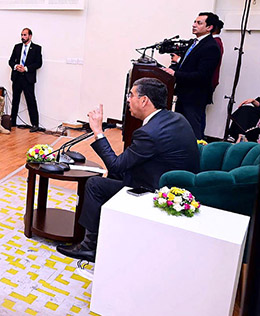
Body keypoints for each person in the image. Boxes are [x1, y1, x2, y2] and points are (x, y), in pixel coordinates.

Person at [56, 78, 200, 262]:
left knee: (94, 184)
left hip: (156, 193)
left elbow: (115, 164)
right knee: (115, 173)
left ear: (144, 100)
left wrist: (97, 131)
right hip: (174, 184)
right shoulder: (175, 118)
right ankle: (105, 232)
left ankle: (89, 247)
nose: (128, 100)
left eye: (131, 95)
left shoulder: (149, 132)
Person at [162, 12, 223, 139]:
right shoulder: (194, 43)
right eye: (195, 22)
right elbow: (186, 65)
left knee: (194, 131)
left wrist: (175, 73)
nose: (194, 25)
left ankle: (198, 156)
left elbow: (202, 75)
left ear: (209, 27)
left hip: (195, 96)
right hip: (183, 93)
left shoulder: (211, 47)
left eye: (199, 23)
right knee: (180, 128)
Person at [8, 27, 43, 132]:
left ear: (30, 36)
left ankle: (35, 124)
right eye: (22, 35)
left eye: (25, 35)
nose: (23, 37)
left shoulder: (36, 48)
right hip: (17, 77)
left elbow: (38, 63)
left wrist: (26, 69)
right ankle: (12, 121)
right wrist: (16, 66)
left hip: (28, 79)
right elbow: (10, 61)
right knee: (15, 100)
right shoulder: (17, 47)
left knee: (31, 101)